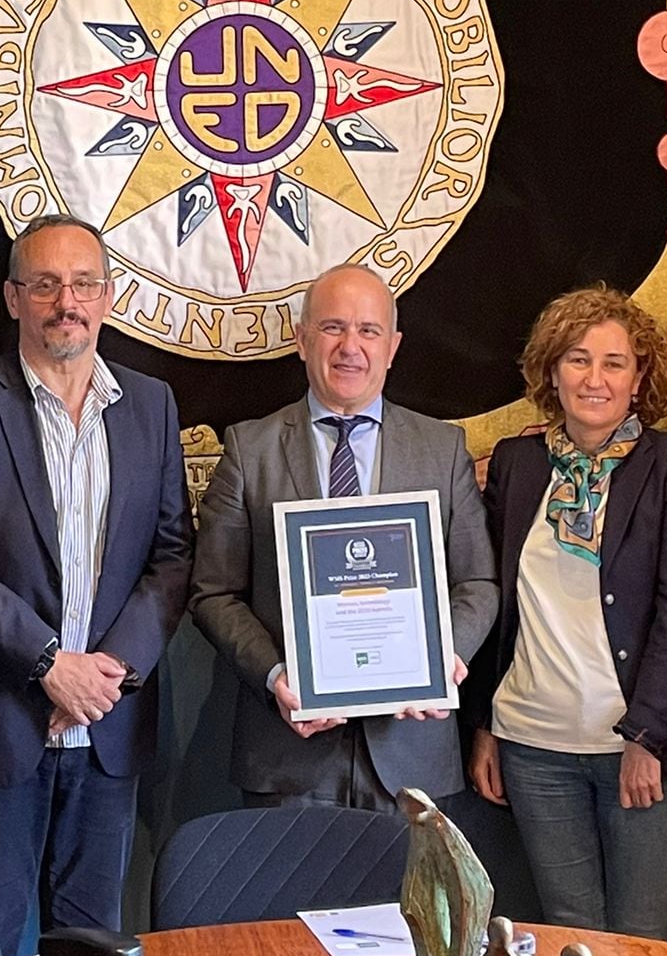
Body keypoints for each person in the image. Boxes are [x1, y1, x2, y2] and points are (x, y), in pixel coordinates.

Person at [0, 215, 192, 955]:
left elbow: (171, 557)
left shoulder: (152, 406)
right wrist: (48, 666)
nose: (68, 300)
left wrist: (107, 675)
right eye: (46, 284)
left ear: (109, 294)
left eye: (84, 283)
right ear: (12, 297)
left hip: (109, 732)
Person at [464, 285, 667, 939]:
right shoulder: (519, 466)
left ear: (639, 379)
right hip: (533, 748)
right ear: (552, 372)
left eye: (614, 363)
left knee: (642, 940)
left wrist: (647, 737)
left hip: (642, 747)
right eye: (578, 359)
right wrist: (486, 726)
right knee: (570, 937)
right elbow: (499, 610)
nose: (595, 378)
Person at [190, 264, 499, 807]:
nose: (349, 346)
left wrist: (440, 655)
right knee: (290, 896)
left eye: (368, 330)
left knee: (411, 898)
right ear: (302, 339)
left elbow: (477, 582)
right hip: (288, 754)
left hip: (411, 754)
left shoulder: (443, 449)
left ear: (393, 346)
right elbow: (214, 592)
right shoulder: (250, 450)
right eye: (332, 328)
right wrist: (275, 675)